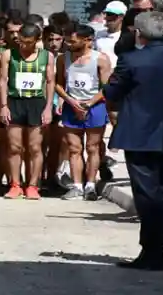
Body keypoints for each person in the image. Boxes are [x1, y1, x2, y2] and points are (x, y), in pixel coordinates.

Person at [105, 11, 163, 271]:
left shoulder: (131, 60)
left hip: (140, 136)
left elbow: (112, 91)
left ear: (139, 33)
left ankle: (153, 252)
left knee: (147, 197)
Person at [56, 24, 111, 201]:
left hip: (95, 107)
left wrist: (88, 104)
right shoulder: (63, 59)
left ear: (88, 40)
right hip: (71, 107)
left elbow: (106, 87)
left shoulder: (100, 59)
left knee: (92, 147)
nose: (69, 44)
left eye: (73, 41)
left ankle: (91, 185)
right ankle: (77, 185)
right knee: (74, 148)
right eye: (67, 40)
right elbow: (58, 84)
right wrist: (71, 101)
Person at [0, 24, 54, 200]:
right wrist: (3, 105)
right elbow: (2, 81)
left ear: (37, 41)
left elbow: (50, 82)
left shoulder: (47, 56)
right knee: (14, 147)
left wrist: (48, 108)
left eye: (28, 43)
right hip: (15, 101)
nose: (23, 46)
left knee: (34, 147)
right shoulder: (9, 54)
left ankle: (32, 186)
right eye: (21, 42)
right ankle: (15, 184)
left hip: (36, 103)